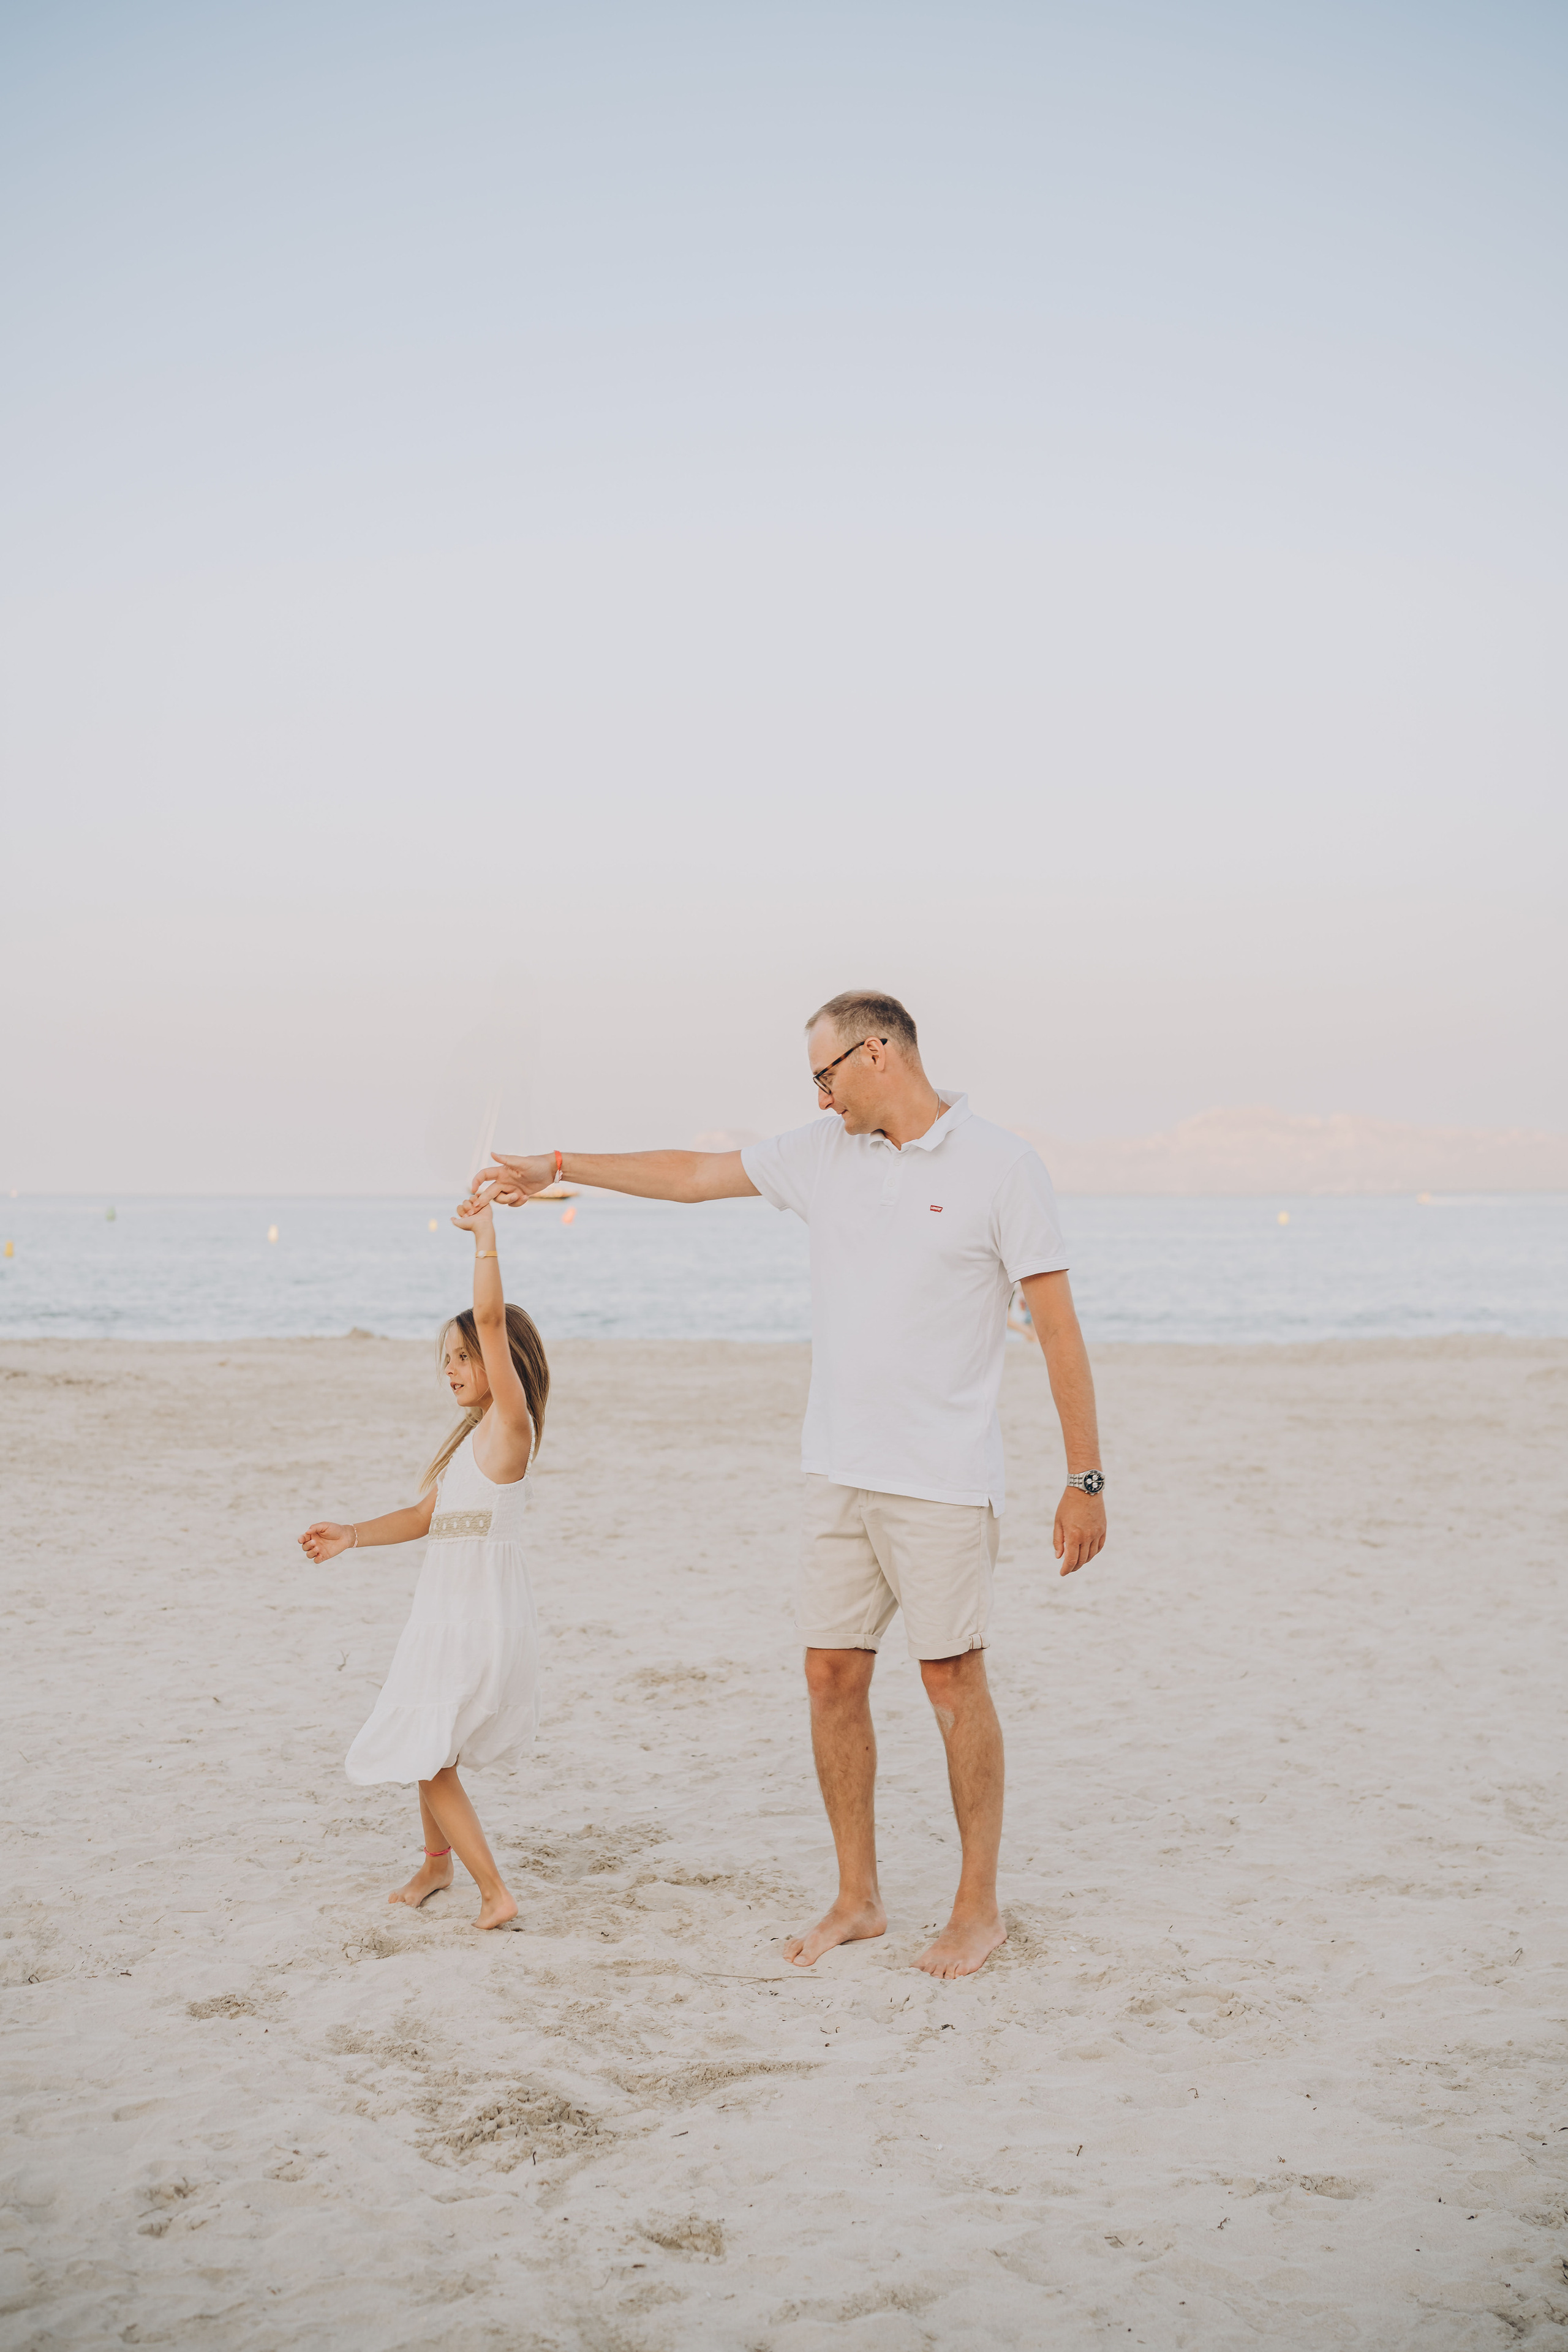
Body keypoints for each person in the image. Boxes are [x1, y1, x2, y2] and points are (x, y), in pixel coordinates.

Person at [479, 989, 1107, 1978]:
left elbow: (1059, 1330)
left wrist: (1085, 1476)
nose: (819, 1100)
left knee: (952, 1681)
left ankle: (976, 1908)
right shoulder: (825, 1158)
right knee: (830, 1677)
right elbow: (692, 1176)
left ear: (877, 1055)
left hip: (942, 1480)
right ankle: (858, 1898)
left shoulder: (1002, 1168)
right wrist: (558, 1167)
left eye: (824, 1076)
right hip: (838, 1472)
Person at [296, 1191, 547, 1931]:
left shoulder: (510, 1426)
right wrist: (351, 1534)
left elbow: (494, 1319)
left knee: (431, 1756)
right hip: (443, 1614)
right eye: (446, 1358)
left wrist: (484, 1237)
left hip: (477, 1618)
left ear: (500, 1364)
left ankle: (494, 1890)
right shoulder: (467, 1443)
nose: (451, 1368)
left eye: (463, 1356)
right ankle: (435, 1867)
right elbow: (421, 1517)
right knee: (423, 1738)